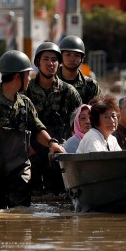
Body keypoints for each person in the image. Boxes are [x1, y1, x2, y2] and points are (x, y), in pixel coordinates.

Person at [0, 50, 66, 210]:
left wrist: (51, 143)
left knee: (21, 214)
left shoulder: (25, 102)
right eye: (27, 75)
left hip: (19, 170)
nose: (30, 79)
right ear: (18, 76)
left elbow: (37, 128)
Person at [24, 41, 80, 193]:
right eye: (46, 59)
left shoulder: (69, 92)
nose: (50, 63)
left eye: (54, 60)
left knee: (59, 197)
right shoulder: (25, 90)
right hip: (31, 152)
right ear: (38, 62)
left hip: (59, 152)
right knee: (30, 198)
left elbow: (80, 124)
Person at [57, 35, 98, 104]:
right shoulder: (50, 82)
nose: (72, 59)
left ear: (82, 59)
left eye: (76, 55)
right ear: (61, 57)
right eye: (68, 55)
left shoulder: (91, 86)